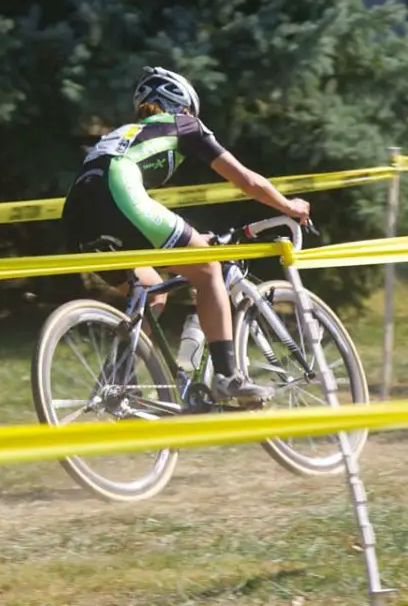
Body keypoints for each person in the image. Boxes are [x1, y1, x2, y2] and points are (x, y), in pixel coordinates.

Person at [62, 66, 311, 404]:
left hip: (77, 211)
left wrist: (193, 237)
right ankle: (228, 378)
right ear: (182, 105)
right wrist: (288, 205)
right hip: (118, 190)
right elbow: (246, 181)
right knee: (208, 268)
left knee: (151, 291)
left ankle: (116, 380)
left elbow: (130, 204)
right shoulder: (185, 124)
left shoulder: (126, 132)